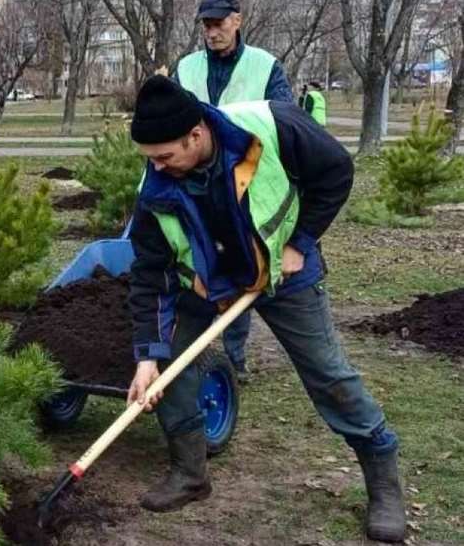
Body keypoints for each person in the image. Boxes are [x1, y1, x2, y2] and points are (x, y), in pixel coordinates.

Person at [125, 75, 405, 543]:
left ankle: (383, 480)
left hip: (284, 271)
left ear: (195, 134)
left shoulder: (272, 126)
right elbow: (149, 273)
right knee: (169, 365)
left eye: (165, 156)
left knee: (328, 374)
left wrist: (300, 242)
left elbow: (337, 171)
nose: (156, 166)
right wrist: (147, 356)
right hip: (207, 280)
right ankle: (190, 473)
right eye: (150, 158)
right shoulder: (155, 186)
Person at [173, 0, 295, 381]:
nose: (212, 32)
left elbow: (284, 120)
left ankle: (235, 356)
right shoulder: (187, 68)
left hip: (246, 183)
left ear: (237, 21)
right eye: (207, 25)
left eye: (219, 23)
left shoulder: (264, 66)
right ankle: (189, 349)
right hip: (196, 180)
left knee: (243, 262)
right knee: (199, 261)